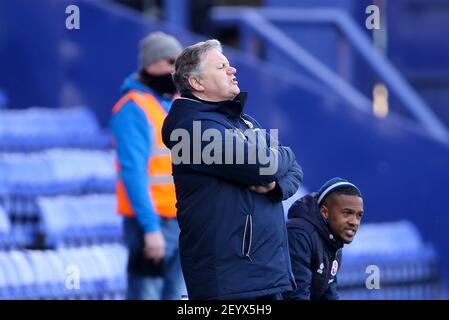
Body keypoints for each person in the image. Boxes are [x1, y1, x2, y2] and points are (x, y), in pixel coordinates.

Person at [161, 39, 303, 300]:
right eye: (221, 66)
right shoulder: (191, 129)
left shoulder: (241, 120)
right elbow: (265, 164)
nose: (232, 70)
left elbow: (293, 170)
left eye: (229, 64)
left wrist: (276, 186)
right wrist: (282, 157)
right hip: (229, 282)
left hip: (262, 275)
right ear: (196, 83)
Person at [110, 31, 185, 300]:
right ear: (151, 65)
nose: (177, 70)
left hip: (180, 222)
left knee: (177, 297)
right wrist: (150, 229)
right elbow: (133, 173)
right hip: (151, 223)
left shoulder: (171, 105)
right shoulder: (133, 108)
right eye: (171, 62)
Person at [283, 177, 364, 300]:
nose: (354, 222)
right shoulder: (299, 234)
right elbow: (295, 296)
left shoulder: (334, 242)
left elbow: (328, 295)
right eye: (347, 213)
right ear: (325, 212)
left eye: (359, 215)